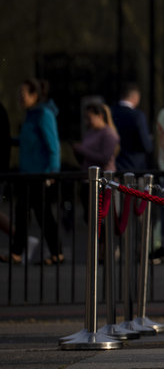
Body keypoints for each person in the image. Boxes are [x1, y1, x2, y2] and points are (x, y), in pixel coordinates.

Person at [11, 79, 62, 265]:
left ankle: (56, 252)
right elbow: (28, 140)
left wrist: (53, 171)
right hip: (28, 173)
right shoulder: (31, 115)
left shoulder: (43, 114)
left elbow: (53, 145)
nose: (20, 98)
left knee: (42, 214)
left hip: (41, 174)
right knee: (23, 211)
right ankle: (17, 252)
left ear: (34, 95)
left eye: (23, 94)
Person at [111, 83, 153, 172]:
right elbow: (146, 145)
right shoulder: (137, 116)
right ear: (135, 97)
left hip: (114, 164)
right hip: (134, 165)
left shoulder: (110, 112)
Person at [72, 102, 119, 172]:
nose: (86, 122)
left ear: (100, 116)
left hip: (103, 176)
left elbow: (105, 158)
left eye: (89, 118)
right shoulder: (90, 132)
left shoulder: (109, 134)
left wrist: (83, 150)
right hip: (88, 175)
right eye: (85, 118)